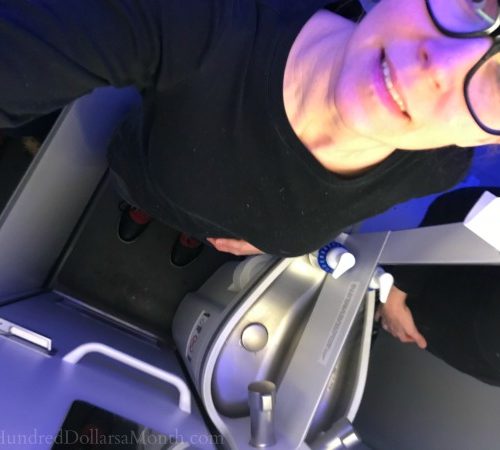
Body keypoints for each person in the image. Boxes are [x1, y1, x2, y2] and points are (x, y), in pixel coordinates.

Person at [0, 0, 499, 258]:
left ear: (488, 138)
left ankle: (195, 235)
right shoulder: (200, 20)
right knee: (139, 191)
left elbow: (348, 205)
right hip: (146, 172)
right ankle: (141, 209)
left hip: (228, 228)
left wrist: (274, 240)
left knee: (201, 228)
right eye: (482, 2)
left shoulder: (442, 164)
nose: (440, 67)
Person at [378, 186, 500, 387]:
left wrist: (402, 324)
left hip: (395, 319)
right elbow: (460, 206)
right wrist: (398, 292)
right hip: (383, 250)